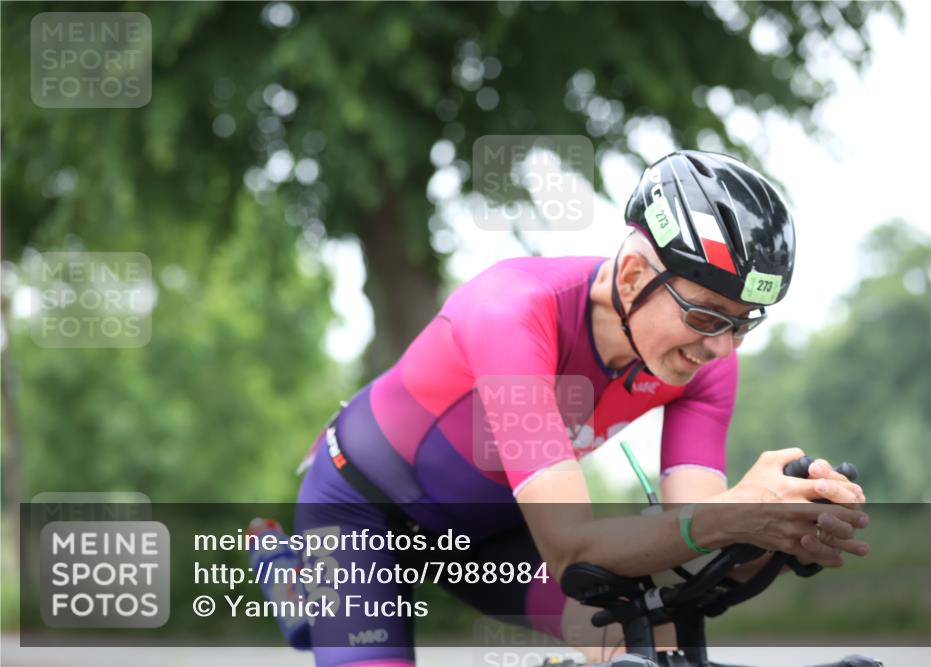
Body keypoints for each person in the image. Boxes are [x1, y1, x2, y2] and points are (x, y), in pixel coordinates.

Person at [288, 150, 869, 667]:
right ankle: (291, 577)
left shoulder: (704, 359)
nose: (721, 345)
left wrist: (773, 535)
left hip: (494, 533)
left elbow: (694, 543)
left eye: (744, 323)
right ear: (636, 274)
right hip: (361, 510)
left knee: (644, 641)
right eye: (706, 316)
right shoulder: (513, 311)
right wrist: (735, 515)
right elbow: (572, 550)